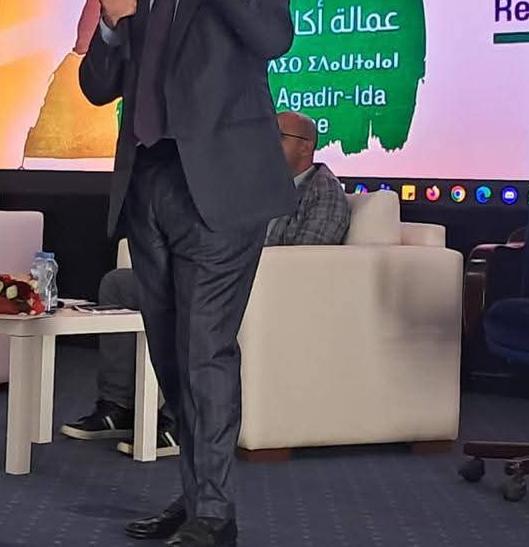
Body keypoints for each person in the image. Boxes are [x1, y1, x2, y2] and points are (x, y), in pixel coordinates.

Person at [79, 0, 296, 547]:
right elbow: (97, 88)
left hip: (221, 187)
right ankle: (198, 492)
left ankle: (214, 511)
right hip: (148, 185)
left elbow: (272, 38)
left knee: (205, 347)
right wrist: (108, 24)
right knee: (170, 351)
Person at [62, 110, 350, 457]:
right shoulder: (253, 184)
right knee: (119, 285)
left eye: (276, 137)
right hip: (217, 275)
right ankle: (118, 406)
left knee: (194, 304)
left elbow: (303, 262)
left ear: (306, 147)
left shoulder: (323, 190)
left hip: (258, 291)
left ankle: (182, 421)